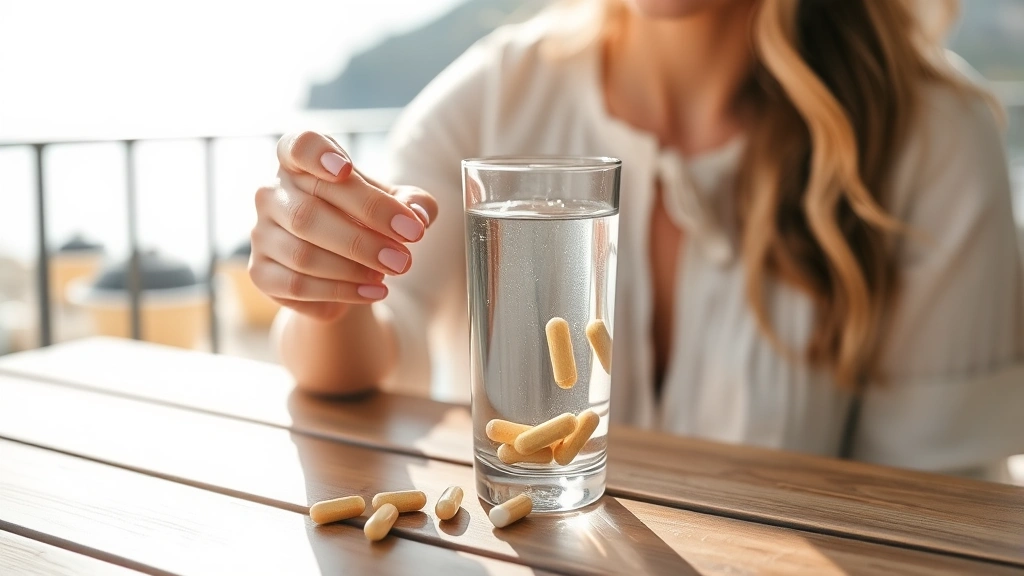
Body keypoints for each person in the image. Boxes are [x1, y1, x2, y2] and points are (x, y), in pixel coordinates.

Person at [249, 0, 1024, 480]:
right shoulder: (492, 96)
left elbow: (937, 497)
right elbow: (373, 359)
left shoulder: (931, 139)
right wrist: (328, 287)